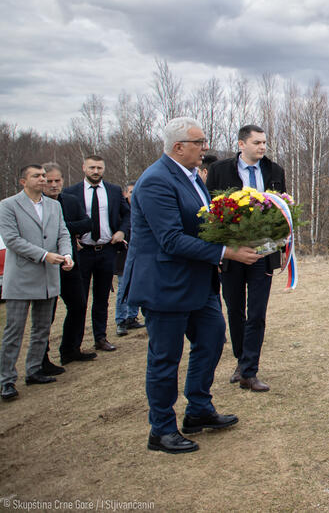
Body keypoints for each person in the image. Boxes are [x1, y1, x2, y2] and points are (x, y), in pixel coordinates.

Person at [119, 116, 259, 453]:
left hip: (197, 282)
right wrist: (226, 252)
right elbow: (170, 239)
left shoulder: (193, 176)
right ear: (178, 147)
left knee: (211, 339)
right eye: (199, 142)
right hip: (165, 285)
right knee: (165, 359)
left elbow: (200, 224)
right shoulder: (155, 181)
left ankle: (198, 410)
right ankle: (162, 429)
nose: (205, 147)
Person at [206, 124, 286, 393]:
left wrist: (280, 239)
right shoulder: (219, 171)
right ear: (241, 144)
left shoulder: (274, 172)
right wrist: (218, 248)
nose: (262, 147)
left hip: (263, 253)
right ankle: (241, 360)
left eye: (264, 142)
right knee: (235, 309)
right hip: (231, 254)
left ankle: (250, 371)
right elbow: (210, 211)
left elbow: (282, 209)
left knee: (257, 312)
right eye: (256, 143)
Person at [0, 165, 74, 402]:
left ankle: (34, 370)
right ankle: (6, 380)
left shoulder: (54, 205)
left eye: (44, 175)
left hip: (49, 276)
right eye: (37, 176)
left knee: (42, 327)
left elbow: (63, 233)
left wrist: (67, 254)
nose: (43, 179)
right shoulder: (8, 205)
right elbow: (12, 240)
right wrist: (44, 255)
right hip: (22, 277)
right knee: (14, 331)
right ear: (23, 181)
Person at [64, 155, 130, 352]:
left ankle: (100, 338)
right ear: (84, 167)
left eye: (99, 168)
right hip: (82, 251)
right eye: (92, 167)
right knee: (80, 299)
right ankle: (74, 344)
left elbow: (127, 213)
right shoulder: (71, 193)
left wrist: (122, 231)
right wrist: (71, 237)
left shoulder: (114, 190)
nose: (96, 171)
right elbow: (64, 221)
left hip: (106, 250)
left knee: (101, 298)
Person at [40, 162, 97, 368]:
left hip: (70, 262)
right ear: (41, 181)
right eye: (49, 181)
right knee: (47, 314)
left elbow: (87, 223)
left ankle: (70, 349)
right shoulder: (37, 205)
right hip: (45, 265)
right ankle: (42, 359)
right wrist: (66, 229)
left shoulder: (71, 201)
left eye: (58, 180)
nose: (54, 185)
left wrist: (63, 227)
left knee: (79, 305)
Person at [114, 181, 143, 336]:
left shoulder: (143, 207)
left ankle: (132, 317)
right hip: (123, 254)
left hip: (140, 253)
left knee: (137, 284)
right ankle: (121, 320)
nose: (133, 194)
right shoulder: (121, 213)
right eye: (131, 192)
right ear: (125, 194)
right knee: (123, 286)